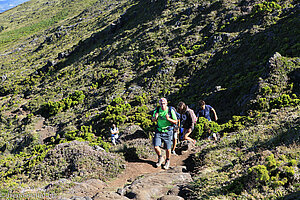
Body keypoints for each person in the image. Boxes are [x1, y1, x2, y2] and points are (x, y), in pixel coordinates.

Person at [152, 98, 177, 169]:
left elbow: (175, 121)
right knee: (156, 146)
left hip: (168, 131)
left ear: (166, 103)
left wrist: (168, 119)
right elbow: (153, 119)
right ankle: (160, 157)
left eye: (164, 104)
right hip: (159, 131)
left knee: (168, 148)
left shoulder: (170, 110)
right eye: (161, 104)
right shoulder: (157, 110)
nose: (162, 105)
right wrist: (155, 118)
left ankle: (167, 160)